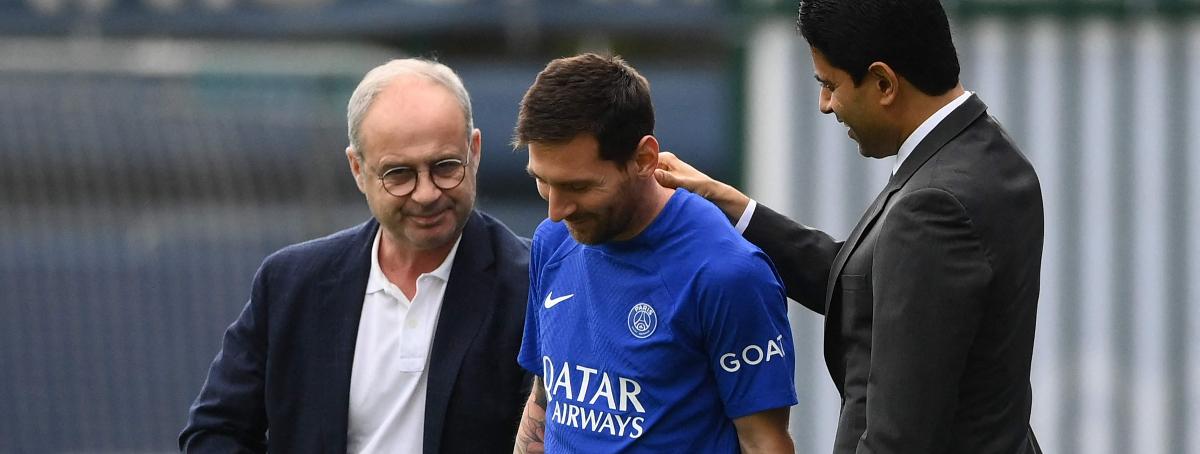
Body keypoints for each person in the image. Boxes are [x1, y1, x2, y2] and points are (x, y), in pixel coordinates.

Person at [655, 1, 1044, 453]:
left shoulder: (932, 205)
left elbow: (898, 438)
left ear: (883, 83)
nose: (825, 105)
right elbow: (873, 285)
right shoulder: (990, 155)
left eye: (829, 85)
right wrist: (733, 206)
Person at [179, 59, 532, 453]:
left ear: (474, 151)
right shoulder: (290, 284)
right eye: (399, 174)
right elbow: (214, 431)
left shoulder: (533, 287)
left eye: (445, 167)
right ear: (358, 169)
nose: (426, 193)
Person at [510, 53, 797, 454]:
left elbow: (764, 442)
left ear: (644, 159)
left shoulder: (728, 273)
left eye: (579, 187)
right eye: (543, 181)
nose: (556, 211)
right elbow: (545, 399)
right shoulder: (553, 241)